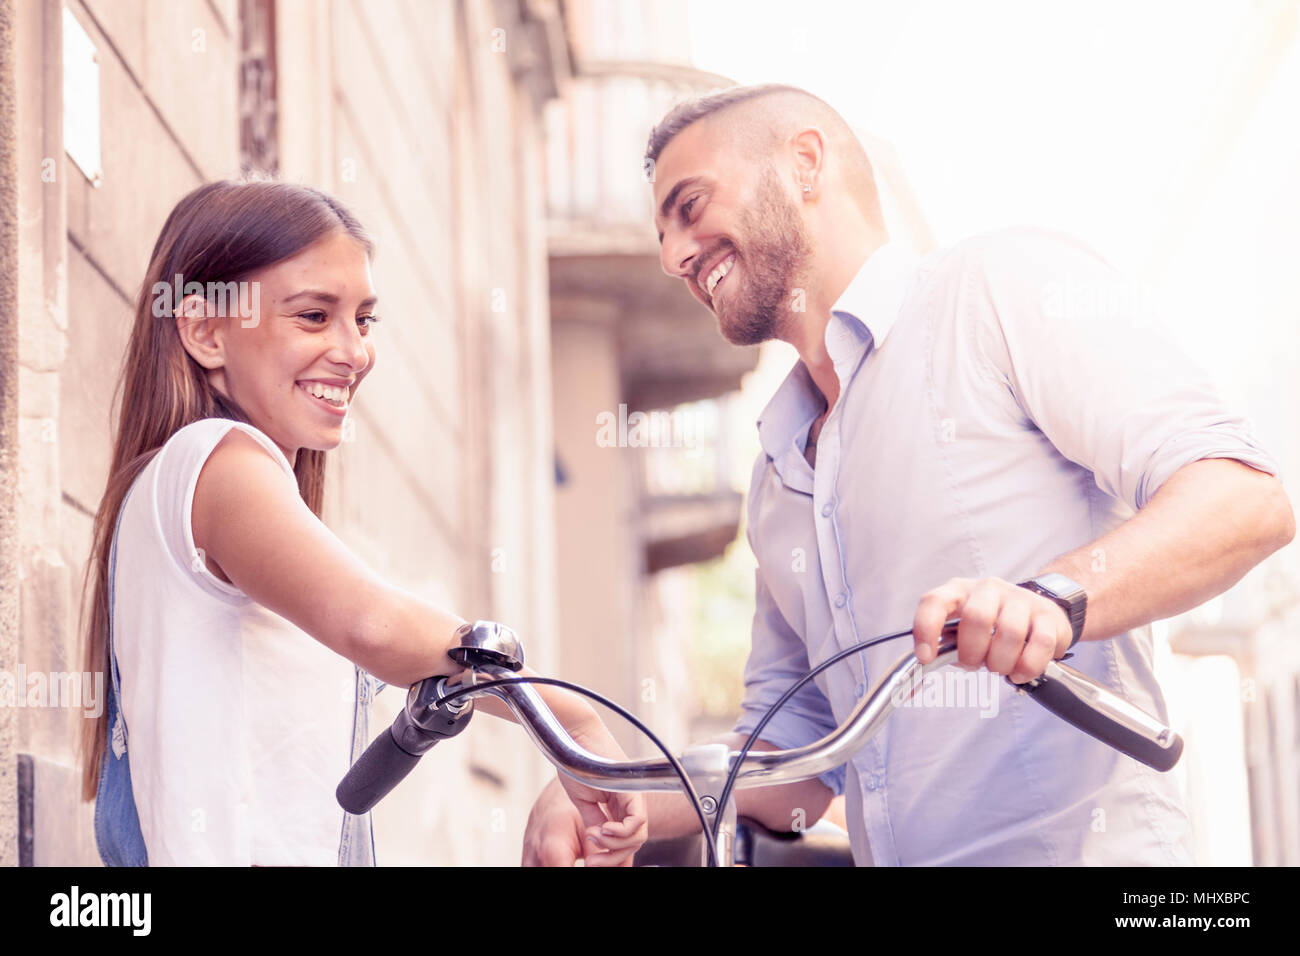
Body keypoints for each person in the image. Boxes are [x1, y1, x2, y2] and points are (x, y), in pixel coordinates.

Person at [522, 84, 1295, 866]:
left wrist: (1052, 599)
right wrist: (621, 791)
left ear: (805, 163)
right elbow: (797, 754)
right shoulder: (778, 474)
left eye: (690, 207)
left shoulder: (993, 290)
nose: (672, 257)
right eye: (662, 234)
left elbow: (1244, 498)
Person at [79, 179, 646, 866]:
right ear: (204, 331)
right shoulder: (218, 461)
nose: (354, 351)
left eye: (363, 320)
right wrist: (574, 722)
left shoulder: (192, 486)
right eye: (314, 316)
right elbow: (374, 627)